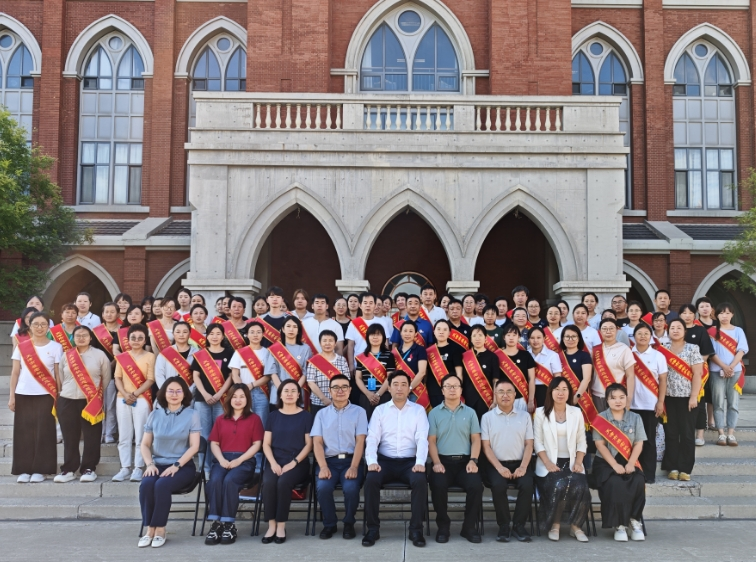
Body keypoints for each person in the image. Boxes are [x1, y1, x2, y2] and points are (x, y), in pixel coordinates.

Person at [363, 371, 430, 548]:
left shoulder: (418, 410)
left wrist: (420, 462)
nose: (399, 388)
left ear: (409, 388)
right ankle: (372, 529)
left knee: (420, 481)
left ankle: (416, 530)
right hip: (385, 462)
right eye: (395, 384)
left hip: (410, 463)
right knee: (370, 480)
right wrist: (372, 461)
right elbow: (372, 438)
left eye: (403, 384)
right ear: (389, 388)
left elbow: (422, 438)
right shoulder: (380, 410)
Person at [138, 376, 201, 548]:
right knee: (147, 484)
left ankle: (160, 529)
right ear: (164, 394)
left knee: (162, 485)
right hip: (157, 464)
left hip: (182, 466)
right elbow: (144, 444)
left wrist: (176, 466)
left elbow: (195, 446)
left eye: (178, 391)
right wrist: (149, 464)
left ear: (184, 394)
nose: (174, 394)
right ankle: (149, 529)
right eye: (170, 391)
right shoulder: (154, 414)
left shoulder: (192, 415)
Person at [204, 384, 264, 545]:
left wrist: (240, 460)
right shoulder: (220, 419)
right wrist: (221, 460)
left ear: (247, 399)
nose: (238, 400)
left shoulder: (254, 419)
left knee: (230, 481)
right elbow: (214, 443)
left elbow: (257, 445)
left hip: (245, 461)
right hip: (222, 459)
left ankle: (229, 525)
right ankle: (216, 524)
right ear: (229, 399)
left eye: (242, 396)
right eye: (235, 396)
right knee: (215, 481)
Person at [311, 374, 368, 540]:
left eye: (344, 387)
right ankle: (330, 524)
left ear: (350, 390)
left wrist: (354, 467)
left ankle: (349, 523)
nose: (340, 390)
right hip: (328, 461)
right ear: (329, 391)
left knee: (351, 488)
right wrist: (323, 467)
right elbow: (317, 443)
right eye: (336, 387)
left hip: (351, 461)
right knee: (323, 487)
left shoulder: (359, 412)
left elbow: (360, 441)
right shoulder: (321, 414)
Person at [427, 374, 483, 544]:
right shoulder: (434, 413)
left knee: (476, 486)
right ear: (442, 390)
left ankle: (469, 527)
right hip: (442, 462)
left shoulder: (470, 412)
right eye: (448, 386)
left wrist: (473, 460)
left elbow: (476, 439)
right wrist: (436, 462)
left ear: (461, 390)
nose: (452, 389)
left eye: (456, 386)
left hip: (465, 462)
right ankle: (443, 526)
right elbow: (431, 441)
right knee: (437, 485)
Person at [534, 377, 590, 542]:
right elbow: (537, 442)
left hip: (571, 462)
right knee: (559, 484)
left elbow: (581, 441)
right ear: (550, 392)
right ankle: (555, 524)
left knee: (581, 486)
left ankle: (576, 526)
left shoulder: (576, 412)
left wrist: (578, 462)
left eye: (564, 389)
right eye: (557, 389)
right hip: (548, 463)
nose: (561, 393)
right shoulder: (540, 413)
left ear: (569, 393)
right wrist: (548, 463)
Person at [9, 311, 62, 483]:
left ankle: (42, 469)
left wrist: (59, 395)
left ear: (48, 327)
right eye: (36, 324)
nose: (40, 327)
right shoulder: (22, 347)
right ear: (29, 326)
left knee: (44, 432)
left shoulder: (56, 347)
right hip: (23, 393)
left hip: (46, 395)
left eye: (43, 324)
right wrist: (11, 396)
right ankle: (24, 469)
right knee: (23, 432)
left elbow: (57, 374)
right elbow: (15, 373)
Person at [481, 379, 535, 543]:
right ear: (495, 395)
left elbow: (529, 444)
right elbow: (486, 446)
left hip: (520, 463)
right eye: (501, 392)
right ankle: (504, 525)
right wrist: (499, 468)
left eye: (509, 392)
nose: (505, 395)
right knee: (498, 485)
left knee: (527, 485)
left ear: (515, 394)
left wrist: (523, 467)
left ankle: (519, 525)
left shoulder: (525, 416)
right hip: (496, 464)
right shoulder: (487, 417)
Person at [55, 326, 111, 483]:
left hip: (90, 400)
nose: (81, 338)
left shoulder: (99, 355)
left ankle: (89, 468)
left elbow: (106, 378)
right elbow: (61, 377)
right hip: (67, 399)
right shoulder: (67, 355)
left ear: (90, 338)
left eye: (84, 335)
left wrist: (95, 395)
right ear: (73, 338)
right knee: (69, 437)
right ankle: (69, 469)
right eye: (77, 335)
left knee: (92, 436)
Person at [592, 383, 647, 542]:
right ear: (607, 400)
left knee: (638, 480)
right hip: (605, 463)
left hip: (629, 460)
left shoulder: (635, 418)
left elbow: (639, 443)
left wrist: (631, 463)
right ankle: (619, 525)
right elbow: (600, 445)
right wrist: (614, 465)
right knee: (615, 483)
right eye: (613, 398)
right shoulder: (601, 418)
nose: (618, 401)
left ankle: (634, 520)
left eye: (621, 397)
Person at [261, 380, 313, 544]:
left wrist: (294, 462)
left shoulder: (306, 416)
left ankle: (281, 525)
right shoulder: (273, 416)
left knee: (283, 482)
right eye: (286, 391)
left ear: (298, 395)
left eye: (293, 391)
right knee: (269, 482)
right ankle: (271, 525)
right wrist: (273, 463)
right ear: (280, 395)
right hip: (275, 460)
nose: (289, 394)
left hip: (298, 462)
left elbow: (309, 444)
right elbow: (266, 444)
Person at [660, 319, 704, 481]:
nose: (675, 330)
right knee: (671, 433)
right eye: (672, 328)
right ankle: (672, 466)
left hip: (688, 398)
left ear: (685, 331)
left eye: (679, 327)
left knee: (687, 434)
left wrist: (694, 396)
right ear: (668, 331)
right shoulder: (663, 349)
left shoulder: (693, 348)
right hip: (668, 398)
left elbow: (698, 374)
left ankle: (685, 468)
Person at [113, 324, 156, 482]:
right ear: (128, 340)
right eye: (133, 338)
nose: (136, 340)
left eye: (140, 338)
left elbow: (151, 379)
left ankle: (138, 467)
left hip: (142, 398)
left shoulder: (150, 356)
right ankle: (125, 468)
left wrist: (135, 394)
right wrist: (126, 394)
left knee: (140, 435)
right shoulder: (122, 357)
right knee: (124, 435)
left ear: (145, 340)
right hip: (122, 398)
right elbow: (117, 378)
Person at [190, 324, 235, 472]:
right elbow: (196, 376)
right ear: (207, 336)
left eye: (218, 334)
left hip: (222, 399)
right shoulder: (201, 354)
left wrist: (220, 393)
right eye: (211, 334)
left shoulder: (230, 353)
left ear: (223, 336)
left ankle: (218, 466)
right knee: (204, 434)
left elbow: (231, 376)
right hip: (202, 399)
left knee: (219, 433)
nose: (215, 337)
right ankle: (205, 468)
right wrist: (204, 393)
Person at [630, 323, 667, 481]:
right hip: (631, 405)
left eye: (646, 333)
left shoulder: (658, 356)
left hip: (650, 405)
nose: (643, 336)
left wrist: (660, 402)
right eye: (639, 333)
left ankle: (649, 474)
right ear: (634, 336)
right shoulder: (628, 354)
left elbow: (663, 380)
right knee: (632, 440)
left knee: (649, 440)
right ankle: (634, 472)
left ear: (651, 337)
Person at [710, 302, 749, 447]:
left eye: (727, 313)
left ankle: (731, 433)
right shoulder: (712, 332)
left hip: (735, 371)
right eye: (721, 313)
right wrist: (723, 366)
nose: (724, 316)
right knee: (718, 403)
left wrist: (730, 367)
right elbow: (711, 352)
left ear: (732, 314)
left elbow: (742, 350)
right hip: (716, 371)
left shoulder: (738, 331)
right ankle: (721, 433)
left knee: (733, 403)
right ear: (717, 315)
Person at [679, 303, 715, 447]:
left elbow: (706, 352)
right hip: (678, 374)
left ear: (695, 315)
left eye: (690, 313)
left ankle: (700, 434)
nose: (687, 316)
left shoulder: (700, 330)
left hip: (698, 372)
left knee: (699, 402)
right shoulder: (676, 328)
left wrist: (694, 367)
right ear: (680, 315)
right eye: (684, 313)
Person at [230, 321, 272, 427]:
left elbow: (268, 376)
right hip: (242, 393)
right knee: (243, 423)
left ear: (263, 334)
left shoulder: (268, 353)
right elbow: (235, 374)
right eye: (252, 332)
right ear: (247, 334)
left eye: (258, 332)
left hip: (261, 392)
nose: (255, 335)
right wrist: (242, 388)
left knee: (261, 423)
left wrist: (252, 385)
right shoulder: (239, 352)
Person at [591, 319, 636, 413]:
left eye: (611, 328)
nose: (608, 331)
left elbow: (630, 376)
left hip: (617, 397)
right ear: (600, 331)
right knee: (600, 422)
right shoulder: (595, 350)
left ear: (617, 330)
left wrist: (629, 398)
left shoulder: (624, 349)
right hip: (597, 396)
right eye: (604, 329)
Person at [266, 316, 312, 406]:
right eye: (288, 326)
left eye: (295, 327)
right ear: (283, 329)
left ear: (298, 330)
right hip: (277, 394)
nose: (291, 329)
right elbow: (272, 372)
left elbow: (306, 373)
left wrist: (295, 390)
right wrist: (282, 390)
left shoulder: (305, 348)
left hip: (297, 394)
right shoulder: (275, 348)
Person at [306, 330, 351, 416]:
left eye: (330, 340)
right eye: (324, 340)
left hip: (339, 402)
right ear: (320, 343)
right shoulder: (314, 361)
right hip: (318, 403)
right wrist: (324, 399)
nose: (327, 343)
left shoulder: (342, 360)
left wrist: (337, 398)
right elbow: (311, 382)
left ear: (335, 343)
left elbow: (346, 380)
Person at [354, 324, 394, 419]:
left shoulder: (389, 355)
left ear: (383, 337)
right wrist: (368, 394)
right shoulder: (362, 356)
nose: (375, 337)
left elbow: (390, 377)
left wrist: (378, 394)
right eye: (372, 334)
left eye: (378, 334)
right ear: (367, 337)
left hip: (384, 395)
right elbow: (358, 378)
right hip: (366, 396)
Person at [462, 325, 501, 420]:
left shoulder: (492, 357)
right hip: (468, 398)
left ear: (485, 338)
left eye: (480, 335)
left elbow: (495, 380)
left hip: (486, 399)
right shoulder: (464, 356)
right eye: (474, 335)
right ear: (470, 339)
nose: (477, 338)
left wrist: (495, 401)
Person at [95, 303, 120, 444]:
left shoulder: (123, 331)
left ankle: (109, 432)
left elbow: (123, 352)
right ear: (103, 315)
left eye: (112, 311)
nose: (109, 314)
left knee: (110, 405)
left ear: (118, 314)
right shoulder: (96, 332)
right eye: (106, 312)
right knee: (99, 404)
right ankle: (99, 432)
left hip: (116, 372)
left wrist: (112, 364)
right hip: (98, 372)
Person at [425, 320, 463, 407]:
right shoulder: (428, 351)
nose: (441, 332)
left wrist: (458, 388)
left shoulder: (455, 349)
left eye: (445, 330)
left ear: (449, 333)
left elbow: (459, 373)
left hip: (451, 390)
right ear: (434, 332)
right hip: (433, 390)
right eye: (438, 329)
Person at [499, 325, 536, 414]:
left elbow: (531, 379)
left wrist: (531, 400)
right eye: (508, 335)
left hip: (522, 398)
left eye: (514, 335)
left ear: (519, 337)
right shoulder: (497, 356)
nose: (511, 338)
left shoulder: (526, 355)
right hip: (503, 398)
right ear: (504, 337)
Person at [154, 322, 198, 390]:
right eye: (178, 332)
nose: (181, 335)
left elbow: (198, 377)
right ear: (173, 334)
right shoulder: (165, 353)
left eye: (185, 332)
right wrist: (167, 391)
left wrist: (189, 392)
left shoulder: (197, 353)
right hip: (168, 392)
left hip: (190, 393)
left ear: (189, 334)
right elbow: (159, 375)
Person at [393, 320, 429, 402]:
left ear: (415, 334)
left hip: (415, 392)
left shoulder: (420, 349)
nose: (407, 334)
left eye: (411, 331)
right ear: (401, 333)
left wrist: (409, 389)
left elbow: (422, 372)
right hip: (398, 391)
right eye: (405, 331)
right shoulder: (396, 352)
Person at [528, 327, 562, 407]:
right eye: (532, 338)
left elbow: (557, 377)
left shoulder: (552, 355)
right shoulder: (525, 354)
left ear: (544, 338)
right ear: (528, 340)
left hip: (546, 390)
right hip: (527, 390)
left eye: (539, 337)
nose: (535, 341)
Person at [560, 325, 593, 404]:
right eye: (567, 336)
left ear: (579, 338)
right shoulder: (558, 356)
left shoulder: (584, 355)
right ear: (563, 338)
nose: (570, 339)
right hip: (561, 396)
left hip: (581, 397)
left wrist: (577, 396)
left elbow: (587, 379)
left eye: (574, 336)